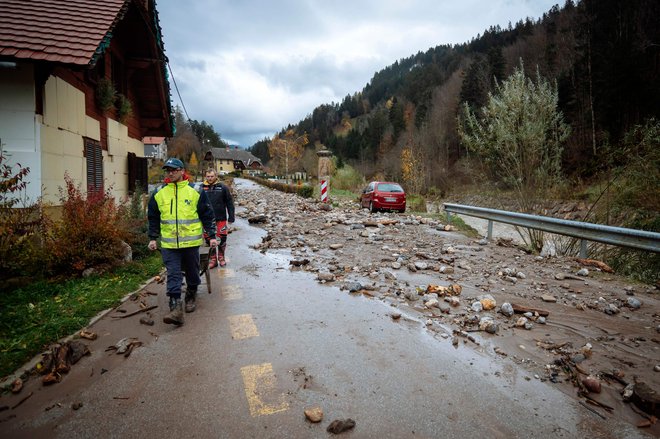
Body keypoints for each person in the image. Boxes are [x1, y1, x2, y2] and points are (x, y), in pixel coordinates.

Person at [147, 157, 217, 325]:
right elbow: (153, 217)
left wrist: (212, 236)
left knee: (193, 272)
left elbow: (207, 214)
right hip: (169, 244)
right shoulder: (159, 193)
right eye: (168, 170)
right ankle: (175, 307)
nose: (170, 173)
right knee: (173, 273)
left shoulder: (195, 191)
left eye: (174, 170)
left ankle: (191, 295)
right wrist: (152, 238)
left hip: (191, 243)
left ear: (182, 171)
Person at [199, 168, 235, 268]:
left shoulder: (223, 187)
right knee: (209, 239)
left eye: (212, 176)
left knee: (222, 239)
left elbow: (229, 203)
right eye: (208, 176)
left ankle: (221, 257)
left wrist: (231, 217)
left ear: (216, 176)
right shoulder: (201, 188)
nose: (210, 178)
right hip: (207, 220)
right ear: (205, 177)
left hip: (221, 218)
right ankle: (213, 259)